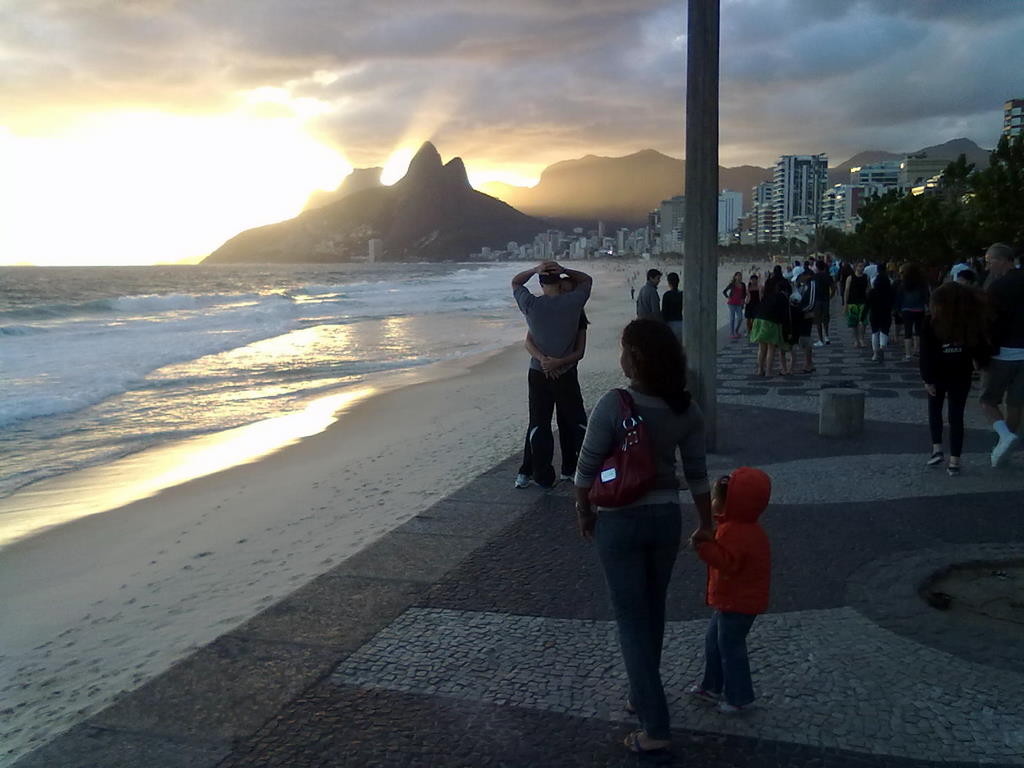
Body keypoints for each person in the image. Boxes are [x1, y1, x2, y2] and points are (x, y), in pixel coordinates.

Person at [574, 319, 712, 755]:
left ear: (635, 358)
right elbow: (697, 475)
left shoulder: (614, 405)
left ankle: (655, 728)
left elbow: (585, 470)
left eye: (624, 349)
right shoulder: (685, 410)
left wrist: (585, 512)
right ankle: (642, 692)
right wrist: (707, 523)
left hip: (620, 521)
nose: (620, 357)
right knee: (652, 613)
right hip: (665, 519)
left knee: (631, 620)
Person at [689, 468, 771, 714]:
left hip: (737, 602)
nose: (712, 503)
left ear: (730, 503)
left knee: (730, 647)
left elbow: (728, 563)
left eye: (716, 498)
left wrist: (703, 547)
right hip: (734, 600)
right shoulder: (744, 528)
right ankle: (712, 686)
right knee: (715, 641)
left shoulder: (736, 531)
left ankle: (739, 696)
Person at [512, 261, 592, 488]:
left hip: (539, 372)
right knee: (574, 421)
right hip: (564, 372)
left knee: (540, 423)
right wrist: (564, 269)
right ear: (559, 281)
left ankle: (542, 475)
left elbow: (516, 282)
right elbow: (587, 280)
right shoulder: (574, 303)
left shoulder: (532, 305)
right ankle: (580, 469)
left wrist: (533, 270)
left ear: (540, 282)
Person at [920, 283, 992, 476]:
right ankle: (955, 461)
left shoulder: (931, 321)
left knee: (935, 410)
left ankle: (937, 448)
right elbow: (980, 348)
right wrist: (981, 363)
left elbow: (925, 353)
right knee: (956, 416)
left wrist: (927, 378)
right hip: (961, 374)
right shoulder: (969, 321)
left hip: (938, 374)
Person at [981, 243, 1024, 467]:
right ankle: (1005, 445)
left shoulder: (997, 288)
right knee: (1016, 404)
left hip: (1003, 354)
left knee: (988, 401)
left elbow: (987, 321)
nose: (987, 266)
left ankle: (1005, 438)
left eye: (989, 261)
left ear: (1002, 260)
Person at [897, 263, 930, 362]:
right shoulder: (922, 283)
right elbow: (926, 296)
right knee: (918, 331)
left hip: (906, 310)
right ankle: (917, 350)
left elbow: (899, 297)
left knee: (908, 332)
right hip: (919, 309)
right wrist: (928, 306)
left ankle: (908, 355)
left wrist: (897, 309)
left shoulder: (903, 283)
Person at [790, 270, 817, 373]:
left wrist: (799, 311)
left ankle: (808, 364)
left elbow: (811, 302)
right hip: (800, 314)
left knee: (805, 338)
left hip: (805, 315)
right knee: (800, 338)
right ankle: (806, 363)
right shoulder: (802, 285)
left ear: (806, 276)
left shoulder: (812, 285)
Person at [866, 270, 895, 363]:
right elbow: (893, 303)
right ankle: (882, 348)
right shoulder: (890, 292)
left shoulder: (872, 292)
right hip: (886, 314)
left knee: (875, 333)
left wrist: (862, 316)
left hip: (874, 314)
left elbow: (867, 304)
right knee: (884, 332)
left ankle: (875, 353)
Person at [843, 261, 870, 349]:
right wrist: (845, 304)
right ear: (855, 267)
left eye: (862, 266)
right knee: (853, 323)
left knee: (863, 322)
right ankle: (856, 340)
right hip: (852, 303)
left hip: (863, 302)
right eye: (859, 266)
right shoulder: (850, 278)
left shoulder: (866, 277)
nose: (861, 268)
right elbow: (846, 291)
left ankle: (861, 339)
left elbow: (868, 289)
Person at [811, 259, 834, 346]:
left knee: (818, 320)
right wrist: (830, 297)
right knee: (826, 318)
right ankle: (827, 336)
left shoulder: (814, 277)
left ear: (817, 267)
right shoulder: (828, 276)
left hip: (817, 300)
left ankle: (820, 340)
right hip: (825, 300)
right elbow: (833, 288)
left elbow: (811, 290)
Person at [723, 271, 747, 339]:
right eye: (738, 275)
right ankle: (731, 333)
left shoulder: (743, 284)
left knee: (740, 318)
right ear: (735, 277)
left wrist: (743, 302)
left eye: (740, 275)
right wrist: (728, 297)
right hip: (731, 303)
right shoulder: (732, 284)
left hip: (739, 303)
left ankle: (736, 330)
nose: (739, 277)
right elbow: (724, 291)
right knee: (732, 318)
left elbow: (744, 294)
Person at [661, 271, 683, 344]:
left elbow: (664, 312)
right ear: (678, 281)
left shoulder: (667, 295)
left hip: (670, 323)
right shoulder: (682, 294)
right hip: (681, 322)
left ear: (669, 282)